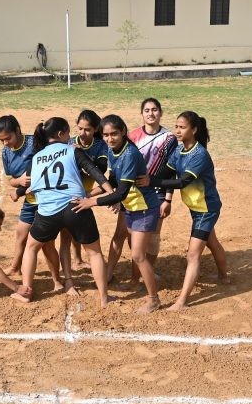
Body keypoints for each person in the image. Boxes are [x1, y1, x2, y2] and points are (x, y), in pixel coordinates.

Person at [11, 117, 115, 308]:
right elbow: (94, 171)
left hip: (47, 211)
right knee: (94, 253)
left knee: (32, 247)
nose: (70, 136)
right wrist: (111, 192)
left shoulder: (36, 157)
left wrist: (16, 193)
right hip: (75, 206)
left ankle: (26, 291)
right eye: (68, 132)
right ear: (61, 134)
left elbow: (26, 184)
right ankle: (104, 298)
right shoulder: (72, 150)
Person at [137, 111, 229, 311]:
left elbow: (181, 181)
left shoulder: (200, 155)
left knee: (193, 255)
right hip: (196, 207)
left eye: (182, 127)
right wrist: (145, 180)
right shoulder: (179, 151)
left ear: (194, 130)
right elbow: (165, 172)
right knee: (211, 242)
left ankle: (182, 302)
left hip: (206, 209)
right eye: (176, 126)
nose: (177, 131)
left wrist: (151, 181)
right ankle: (224, 277)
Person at [73, 114, 162, 315]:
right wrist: (89, 194)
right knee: (133, 248)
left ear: (123, 132)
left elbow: (120, 192)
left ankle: (153, 299)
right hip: (131, 206)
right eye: (105, 135)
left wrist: (91, 202)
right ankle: (139, 281)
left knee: (138, 255)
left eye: (114, 134)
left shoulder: (129, 154)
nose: (110, 138)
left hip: (144, 208)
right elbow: (112, 181)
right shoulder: (114, 151)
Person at [0, 115, 63, 291]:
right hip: (30, 200)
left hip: (47, 200)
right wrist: (19, 182)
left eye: (8, 138)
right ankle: (15, 267)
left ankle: (57, 280)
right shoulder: (6, 152)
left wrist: (21, 188)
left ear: (18, 130)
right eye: (1, 140)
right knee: (21, 234)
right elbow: (11, 180)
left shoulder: (36, 142)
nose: (5, 143)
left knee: (47, 244)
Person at [123, 97, 178, 286]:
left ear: (160, 113)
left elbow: (173, 170)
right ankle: (135, 275)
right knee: (134, 235)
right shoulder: (133, 136)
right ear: (142, 114)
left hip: (158, 192)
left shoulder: (169, 138)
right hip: (134, 193)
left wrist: (168, 199)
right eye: (147, 110)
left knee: (153, 236)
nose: (151, 113)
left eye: (155, 110)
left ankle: (149, 271)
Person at [62, 109, 108, 272]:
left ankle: (82, 259)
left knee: (81, 228)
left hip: (88, 192)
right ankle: (77, 260)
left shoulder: (101, 145)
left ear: (95, 129)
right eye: (80, 128)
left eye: (87, 129)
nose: (82, 133)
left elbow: (101, 169)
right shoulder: (70, 142)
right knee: (68, 231)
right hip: (69, 192)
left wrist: (82, 155)